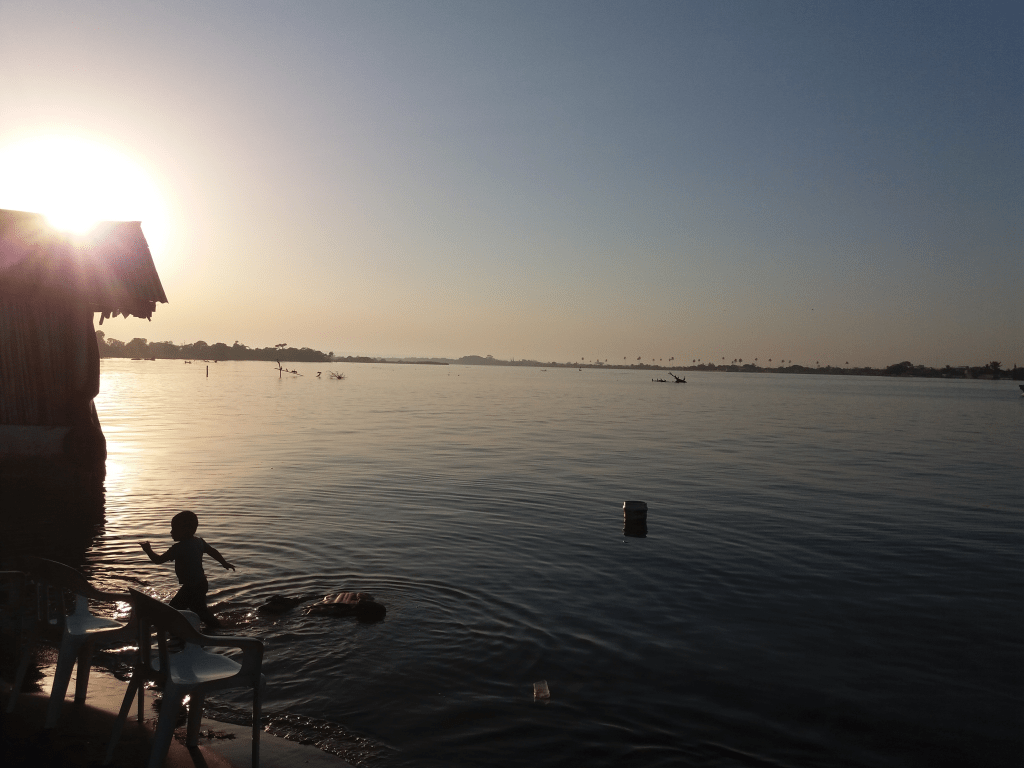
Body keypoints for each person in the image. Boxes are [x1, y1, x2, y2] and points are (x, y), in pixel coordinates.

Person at [139, 510, 235, 629]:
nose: (171, 532)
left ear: (185, 530)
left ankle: (208, 629)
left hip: (191, 587)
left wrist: (148, 550)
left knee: (175, 610)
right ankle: (213, 627)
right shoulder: (199, 542)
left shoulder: (178, 548)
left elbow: (158, 560)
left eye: (174, 529)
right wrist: (224, 563)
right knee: (199, 609)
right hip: (201, 583)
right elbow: (212, 551)